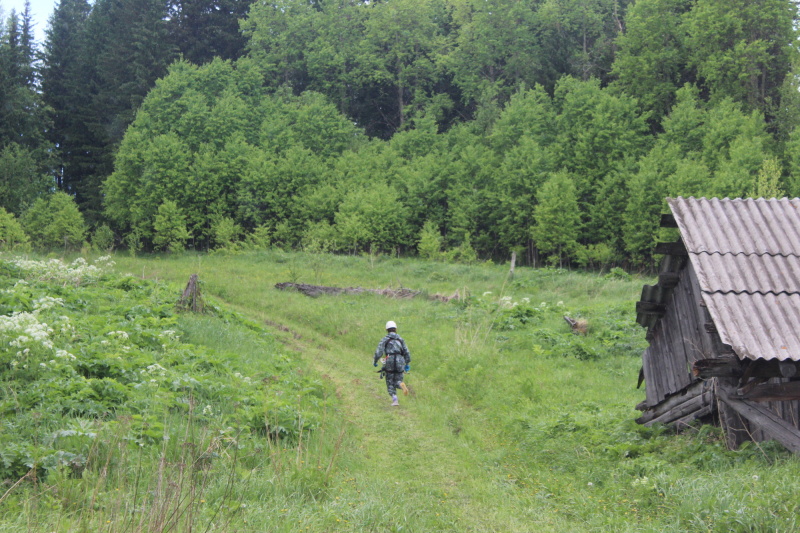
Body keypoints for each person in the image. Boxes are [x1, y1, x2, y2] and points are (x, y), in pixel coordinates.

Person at [373, 320, 411, 406]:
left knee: (390, 381)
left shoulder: (385, 339)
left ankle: (395, 399)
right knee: (398, 380)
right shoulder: (400, 339)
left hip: (389, 360)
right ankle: (401, 385)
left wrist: (375, 361)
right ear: (396, 329)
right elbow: (406, 352)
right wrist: (407, 363)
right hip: (400, 361)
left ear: (387, 329)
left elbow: (379, 351)